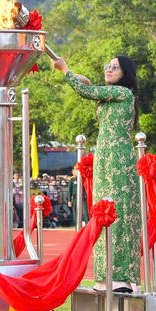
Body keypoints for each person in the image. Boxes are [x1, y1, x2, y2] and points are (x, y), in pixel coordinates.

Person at [54, 54, 142, 292]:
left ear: (125, 73)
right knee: (100, 215)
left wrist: (65, 70)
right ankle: (104, 276)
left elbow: (88, 92)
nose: (109, 70)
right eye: (108, 66)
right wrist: (81, 79)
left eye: (115, 68)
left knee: (119, 214)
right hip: (104, 160)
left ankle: (122, 278)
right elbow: (92, 90)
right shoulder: (110, 97)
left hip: (119, 161)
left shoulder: (123, 94)